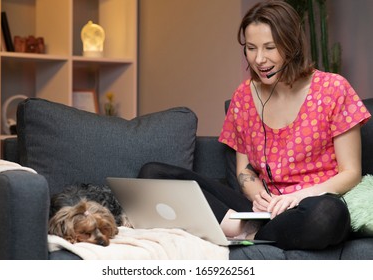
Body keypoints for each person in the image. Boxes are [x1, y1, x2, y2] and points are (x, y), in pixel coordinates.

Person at [139, 0, 371, 250]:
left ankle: (247, 233)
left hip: (310, 204)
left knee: (329, 214)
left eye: (270, 48)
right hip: (261, 210)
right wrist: (257, 194)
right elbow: (244, 170)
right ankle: (248, 228)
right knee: (154, 174)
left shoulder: (333, 89)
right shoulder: (243, 96)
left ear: (292, 45)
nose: (259, 59)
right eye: (251, 48)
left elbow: (351, 173)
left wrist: (299, 196)